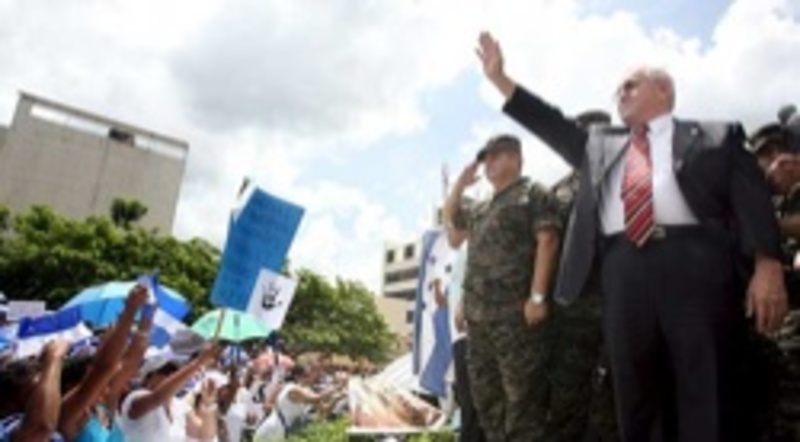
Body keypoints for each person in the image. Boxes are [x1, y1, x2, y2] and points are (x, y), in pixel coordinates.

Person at [476, 31, 788, 441]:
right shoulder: (600, 146)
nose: (619, 94)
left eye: (630, 85)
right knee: (637, 397)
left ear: (663, 90)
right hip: (623, 273)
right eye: (617, 90)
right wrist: (501, 80)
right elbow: (550, 121)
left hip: (696, 269)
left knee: (705, 390)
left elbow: (752, 203)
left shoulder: (718, 136)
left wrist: (768, 265)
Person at [442, 134, 562, 441]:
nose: (489, 163)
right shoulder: (482, 207)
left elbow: (548, 241)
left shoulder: (533, 193)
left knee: (523, 403)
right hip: (479, 322)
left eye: (497, 156)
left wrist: (537, 297)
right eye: (486, 158)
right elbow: (453, 231)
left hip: (516, 318)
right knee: (487, 404)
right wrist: (459, 185)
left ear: (516, 159)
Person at [547, 110, 619, 441]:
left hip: (618, 306)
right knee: (567, 396)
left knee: (612, 398)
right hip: (570, 312)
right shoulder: (557, 191)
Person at [118, 343, 219, 442]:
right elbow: (157, 397)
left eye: (175, 373)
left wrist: (208, 404)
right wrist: (197, 364)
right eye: (167, 371)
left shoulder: (179, 406)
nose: (171, 377)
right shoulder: (136, 397)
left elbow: (205, 436)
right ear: (148, 377)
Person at [253, 365, 344, 442]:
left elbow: (325, 410)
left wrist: (336, 399)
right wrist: (336, 388)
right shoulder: (293, 389)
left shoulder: (307, 391)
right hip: (273, 427)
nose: (313, 377)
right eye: (307, 375)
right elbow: (316, 398)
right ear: (298, 377)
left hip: (284, 429)